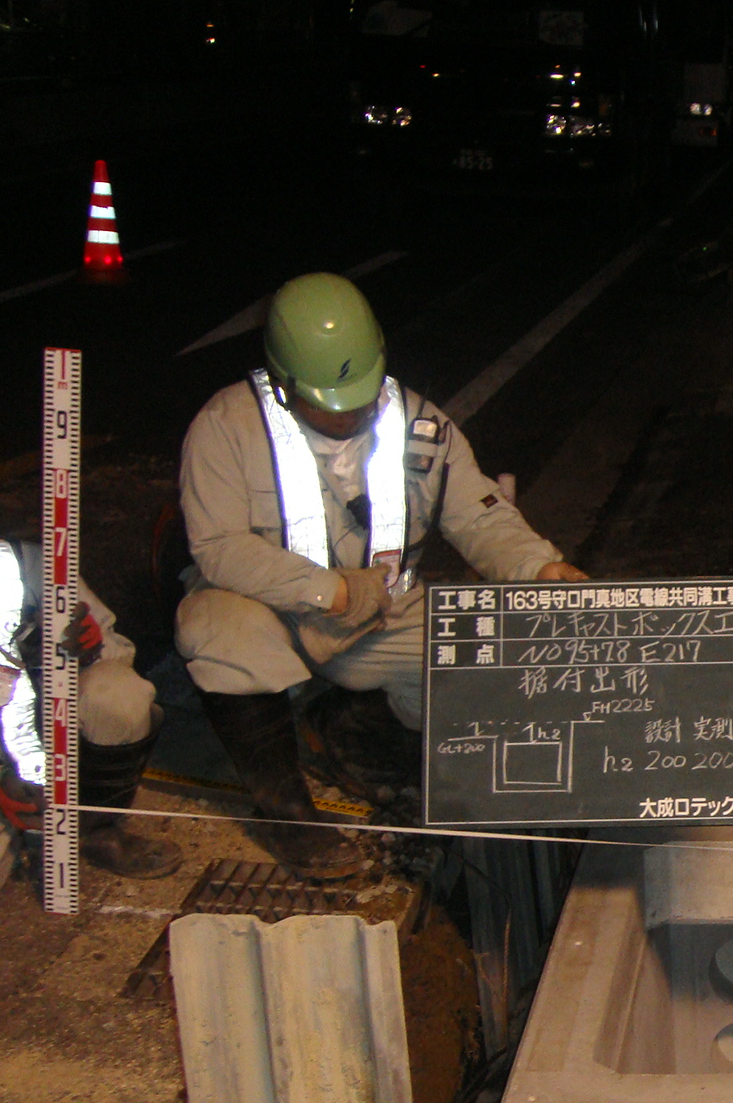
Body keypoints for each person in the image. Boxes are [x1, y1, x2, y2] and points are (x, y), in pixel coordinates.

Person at [177, 271, 586, 879]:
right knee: (218, 633)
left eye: (361, 397)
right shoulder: (225, 426)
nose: (348, 416)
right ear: (284, 383)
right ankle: (288, 813)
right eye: (327, 403)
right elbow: (218, 547)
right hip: (269, 611)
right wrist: (330, 589)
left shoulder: (422, 427)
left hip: (378, 617)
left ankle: (347, 730)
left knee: (477, 665)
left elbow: (478, 515)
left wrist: (538, 565)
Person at [0, 514, 180, 938]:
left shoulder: (24, 572)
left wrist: (87, 654)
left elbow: (119, 654)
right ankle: (10, 838)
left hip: (59, 756)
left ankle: (94, 829)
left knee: (119, 695)